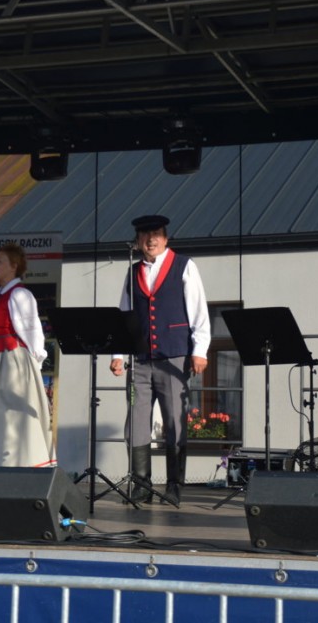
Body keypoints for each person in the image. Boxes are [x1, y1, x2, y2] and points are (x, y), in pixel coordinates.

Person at [110, 215, 211, 506]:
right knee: (135, 423)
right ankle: (141, 485)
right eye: (145, 235)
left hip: (174, 355)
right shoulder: (133, 271)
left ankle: (174, 486)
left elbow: (199, 309)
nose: (150, 240)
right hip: (140, 359)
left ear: (165, 238)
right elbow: (124, 314)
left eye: (156, 234)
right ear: (138, 241)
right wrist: (118, 355)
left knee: (174, 421)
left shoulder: (184, 265)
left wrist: (200, 350)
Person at [0, 243, 56, 468]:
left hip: (12, 360)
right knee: (0, 415)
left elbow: (33, 331)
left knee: (13, 415)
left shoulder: (20, 294)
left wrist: (33, 366)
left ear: (14, 266)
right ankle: (0, 464)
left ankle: (22, 463)